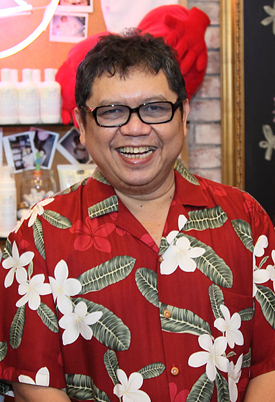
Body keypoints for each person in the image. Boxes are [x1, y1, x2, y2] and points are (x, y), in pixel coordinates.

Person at [0, 30, 275, 402]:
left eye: (155, 108)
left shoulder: (246, 220)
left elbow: (268, 366)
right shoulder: (38, 237)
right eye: (112, 111)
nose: (135, 128)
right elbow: (35, 383)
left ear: (184, 113)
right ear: (81, 124)